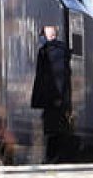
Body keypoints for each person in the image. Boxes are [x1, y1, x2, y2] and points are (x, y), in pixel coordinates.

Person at [31, 24, 73, 163]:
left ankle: (53, 157)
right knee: (53, 128)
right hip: (53, 99)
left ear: (50, 36)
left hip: (54, 99)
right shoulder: (51, 50)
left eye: (42, 35)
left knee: (53, 129)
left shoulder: (54, 52)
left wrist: (57, 96)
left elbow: (58, 76)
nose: (40, 37)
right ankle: (53, 157)